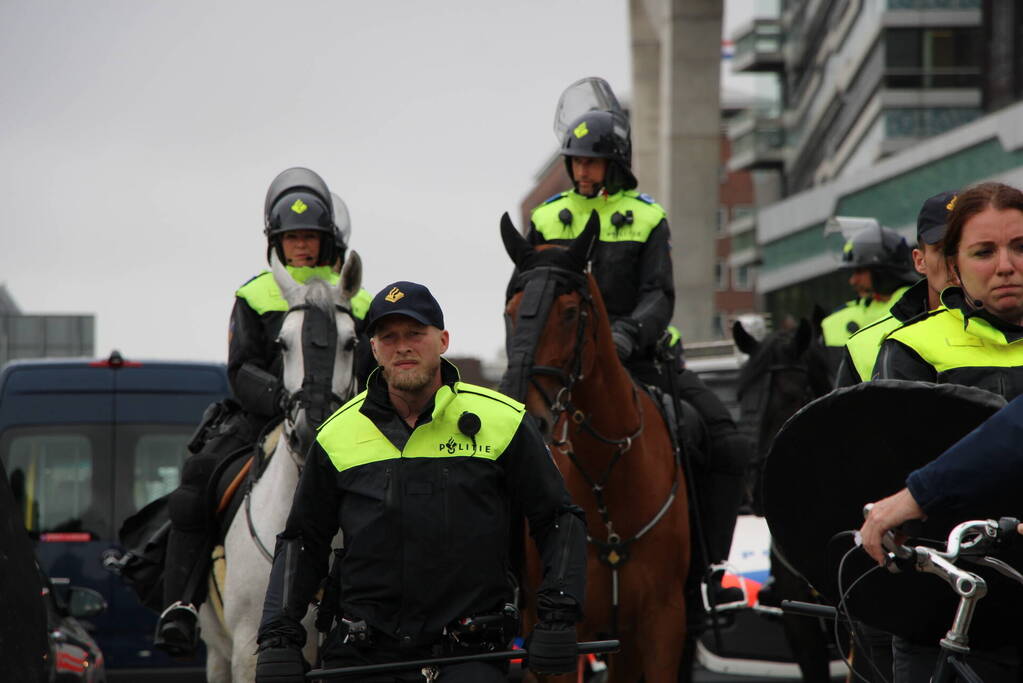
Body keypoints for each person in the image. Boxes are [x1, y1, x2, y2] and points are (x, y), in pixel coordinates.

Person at [254, 282, 588, 682]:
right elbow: (303, 541)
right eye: (389, 337)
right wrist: (279, 636)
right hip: (362, 657)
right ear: (374, 349)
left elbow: (557, 519)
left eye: (415, 333)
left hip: (470, 655)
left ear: (443, 340)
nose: (403, 346)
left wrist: (557, 616)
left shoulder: (505, 422)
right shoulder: (335, 434)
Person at [525, 79, 752, 608]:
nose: (582, 171)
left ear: (616, 162)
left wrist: (625, 336)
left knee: (726, 442)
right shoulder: (544, 218)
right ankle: (514, 580)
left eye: (593, 162)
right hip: (560, 367)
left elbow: (659, 295)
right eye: (576, 161)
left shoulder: (647, 215)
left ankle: (706, 571)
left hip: (643, 360)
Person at [155, 168, 368, 656]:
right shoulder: (254, 294)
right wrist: (283, 399)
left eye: (310, 238)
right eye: (291, 238)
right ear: (276, 241)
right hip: (262, 416)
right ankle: (181, 605)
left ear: (328, 242)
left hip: (343, 418)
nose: (301, 248)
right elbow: (241, 367)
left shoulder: (358, 298)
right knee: (196, 481)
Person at [872, 182, 1023, 397]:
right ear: (954, 267)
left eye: (1021, 247)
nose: (1005, 266)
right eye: (984, 252)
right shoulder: (912, 348)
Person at [836, 192, 958, 386]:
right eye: (944, 250)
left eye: (979, 250)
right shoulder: (862, 344)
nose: (957, 262)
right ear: (919, 261)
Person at [821, 222, 918, 358]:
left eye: (860, 271)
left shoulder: (925, 304)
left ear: (883, 271)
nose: (853, 281)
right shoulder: (835, 320)